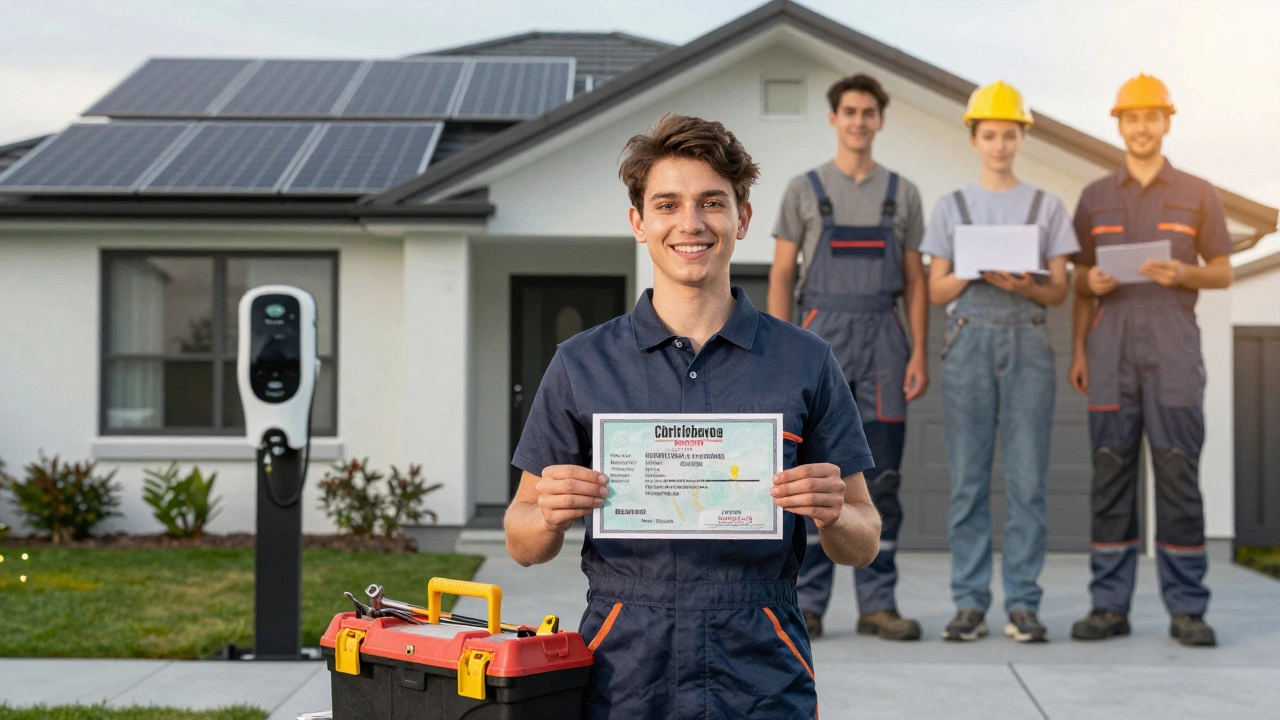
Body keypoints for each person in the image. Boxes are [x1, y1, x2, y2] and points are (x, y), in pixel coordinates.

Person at [504, 113, 883, 719]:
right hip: (624, 660)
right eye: (667, 204)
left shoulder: (805, 360)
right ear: (638, 223)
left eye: (713, 202)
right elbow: (522, 542)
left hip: (762, 656)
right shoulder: (581, 363)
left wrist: (835, 513)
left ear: (743, 219)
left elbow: (863, 541)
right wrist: (547, 513)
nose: (691, 223)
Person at [1067, 74, 1233, 647]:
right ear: (1118, 124)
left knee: (1179, 477)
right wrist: (1080, 346)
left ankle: (1188, 609)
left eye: (1151, 117)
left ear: (1167, 122)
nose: (1141, 127)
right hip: (1110, 350)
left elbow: (1224, 269)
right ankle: (1108, 607)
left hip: (1173, 348)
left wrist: (1184, 272)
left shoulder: (1197, 192)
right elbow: (1081, 282)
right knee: (1111, 478)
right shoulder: (1094, 197)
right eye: (1130, 117)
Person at [769, 73, 929, 641]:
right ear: (834, 118)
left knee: (882, 478)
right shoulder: (803, 189)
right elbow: (783, 273)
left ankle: (877, 604)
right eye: (850, 111)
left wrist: (918, 354)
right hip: (820, 336)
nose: (859, 120)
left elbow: (915, 280)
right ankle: (808, 603)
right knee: (814, 478)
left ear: (879, 120)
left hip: (885, 341)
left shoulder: (903, 193)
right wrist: (779, 353)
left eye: (869, 112)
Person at [920, 80, 1078, 643]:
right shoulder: (952, 207)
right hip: (968, 341)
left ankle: (1023, 605)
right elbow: (937, 290)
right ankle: (969, 604)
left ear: (1021, 138)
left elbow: (1060, 289)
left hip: (1029, 340)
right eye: (990, 134)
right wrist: (974, 266)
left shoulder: (1046, 206)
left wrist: (1023, 283)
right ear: (973, 138)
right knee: (967, 482)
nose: (1000, 144)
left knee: (1028, 482)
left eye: (1010, 135)